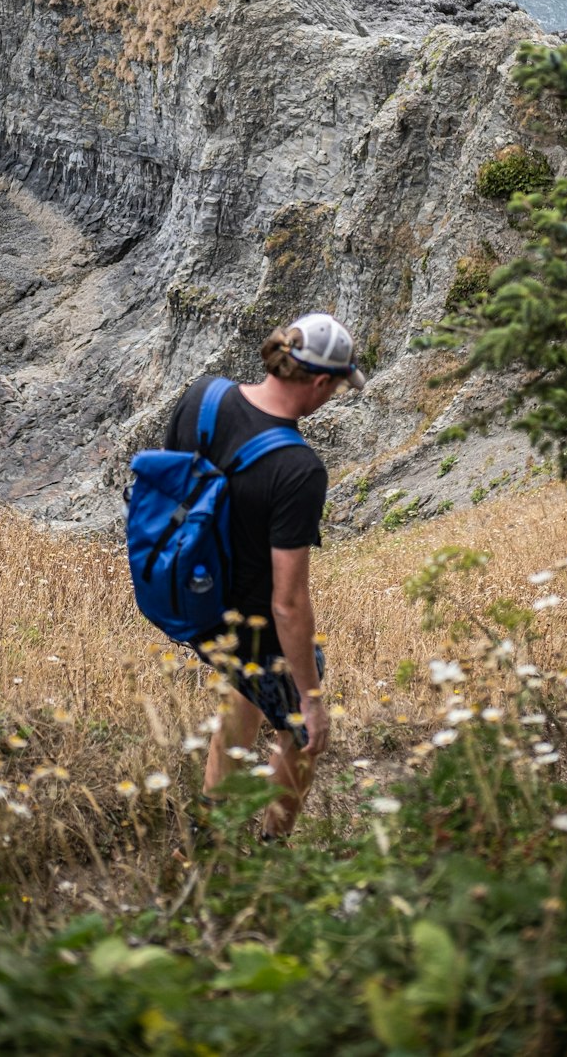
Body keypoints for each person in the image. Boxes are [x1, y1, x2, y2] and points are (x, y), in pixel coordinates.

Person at [163, 311, 365, 839]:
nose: (336, 394)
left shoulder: (204, 395)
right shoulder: (298, 469)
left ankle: (207, 833)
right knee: (302, 731)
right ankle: (273, 851)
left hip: (188, 596)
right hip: (248, 618)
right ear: (320, 381)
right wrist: (313, 701)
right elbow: (288, 603)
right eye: (338, 386)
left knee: (243, 691)